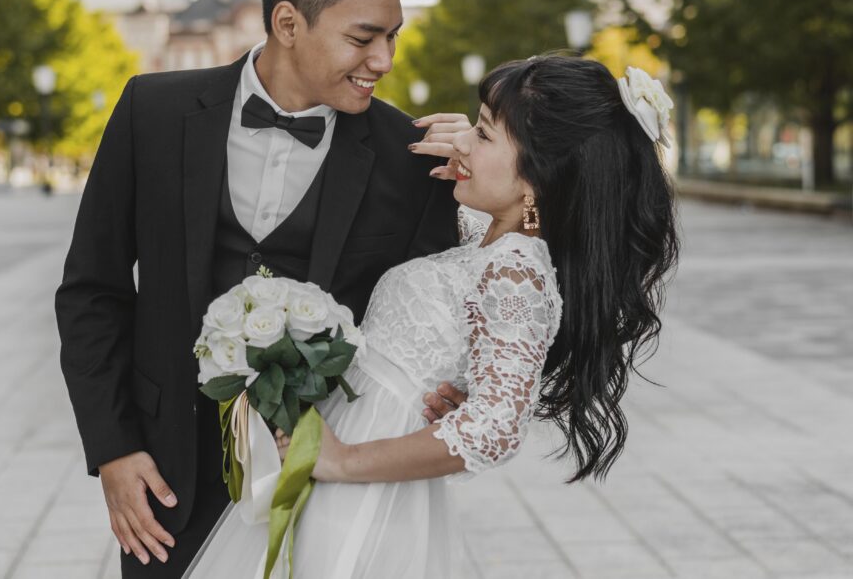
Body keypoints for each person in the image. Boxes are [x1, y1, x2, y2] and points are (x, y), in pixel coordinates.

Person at [54, 0, 473, 578]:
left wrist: (453, 385)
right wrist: (113, 449)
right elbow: (92, 291)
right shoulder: (151, 114)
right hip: (166, 488)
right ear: (287, 23)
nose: (385, 61)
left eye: (393, 36)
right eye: (364, 37)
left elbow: (441, 320)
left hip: (331, 492)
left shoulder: (411, 158)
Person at [182, 54, 680, 577]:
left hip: (361, 476)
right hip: (354, 456)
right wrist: (463, 162)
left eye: (483, 133)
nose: (463, 138)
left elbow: (496, 426)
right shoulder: (490, 246)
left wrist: (343, 460)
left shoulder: (516, 270)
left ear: (539, 180)